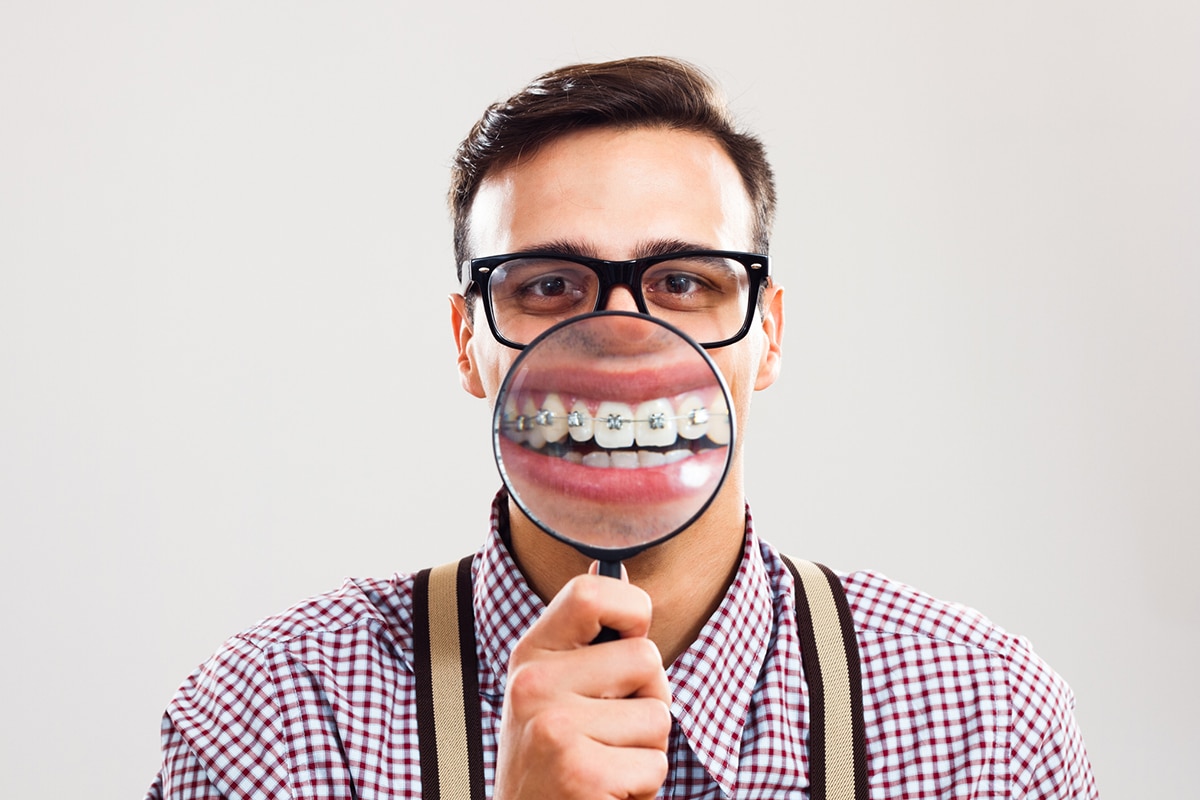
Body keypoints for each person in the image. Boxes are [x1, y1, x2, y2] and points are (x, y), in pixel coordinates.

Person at [146, 56, 1097, 799]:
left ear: (765, 337)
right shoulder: (276, 716)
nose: (617, 337)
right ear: (466, 343)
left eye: (684, 281)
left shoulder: (987, 718)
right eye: (547, 285)